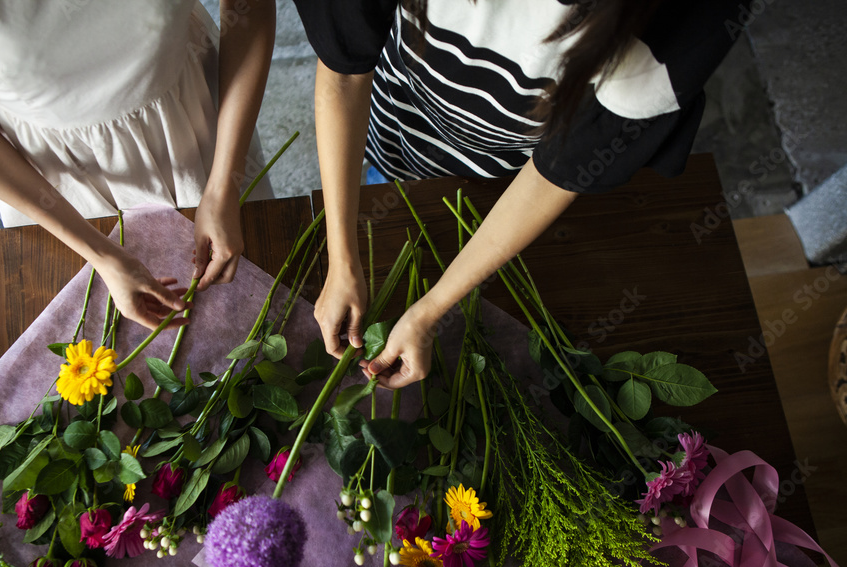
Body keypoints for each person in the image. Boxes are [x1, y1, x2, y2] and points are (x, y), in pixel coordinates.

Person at [294, 0, 743, 388]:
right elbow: (345, 75)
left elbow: (555, 173)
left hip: (511, 172)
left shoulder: (677, 24)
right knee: (385, 187)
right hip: (399, 115)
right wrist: (341, 259)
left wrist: (430, 312)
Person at [0, 0, 276, 330]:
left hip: (196, 113)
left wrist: (222, 186)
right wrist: (101, 254)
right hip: (44, 171)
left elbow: (247, 7)